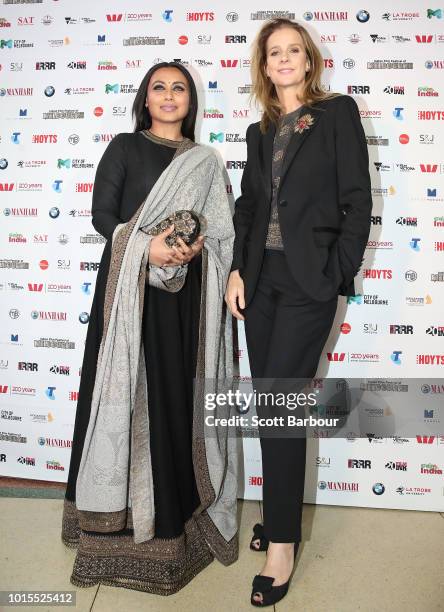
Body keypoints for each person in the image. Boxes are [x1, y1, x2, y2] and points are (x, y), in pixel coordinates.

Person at [61, 61, 238, 596]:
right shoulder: (123, 146)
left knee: (169, 401)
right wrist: (147, 248)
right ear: (145, 98)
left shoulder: (205, 162)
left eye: (178, 88)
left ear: (190, 101)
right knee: (120, 399)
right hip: (126, 297)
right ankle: (110, 520)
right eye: (158, 87)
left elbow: (221, 231)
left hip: (181, 304)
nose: (168, 95)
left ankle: (175, 522)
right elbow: (102, 216)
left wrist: (191, 249)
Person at [225, 18, 372, 607]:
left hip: (309, 281)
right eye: (273, 53)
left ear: (308, 60)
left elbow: (356, 200)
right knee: (270, 404)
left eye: (293, 51)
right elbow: (249, 207)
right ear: (263, 66)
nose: (284, 60)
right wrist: (238, 267)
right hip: (261, 282)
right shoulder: (259, 130)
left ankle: (282, 543)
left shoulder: (337, 114)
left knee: (281, 404)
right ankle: (276, 515)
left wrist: (335, 274)